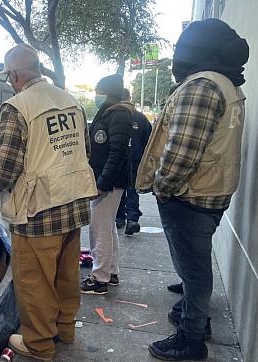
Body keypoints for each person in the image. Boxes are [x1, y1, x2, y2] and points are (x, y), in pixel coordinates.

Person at [136, 18, 249, 361]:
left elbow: (182, 152)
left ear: (196, 48)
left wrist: (162, 187)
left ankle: (191, 338)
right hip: (211, 192)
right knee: (193, 267)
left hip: (190, 195)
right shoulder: (228, 84)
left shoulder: (201, 86)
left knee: (194, 270)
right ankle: (192, 313)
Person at [0, 43, 97, 361]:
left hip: (38, 211)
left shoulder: (17, 107)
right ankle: (65, 329)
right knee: (65, 273)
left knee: (34, 280)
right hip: (72, 205)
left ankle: (39, 344)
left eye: (9, 78)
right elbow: (84, 150)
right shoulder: (70, 101)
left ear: (15, 75)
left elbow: (5, 164)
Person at [80, 74, 133, 295]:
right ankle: (110, 272)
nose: (96, 95)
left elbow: (117, 152)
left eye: (98, 90)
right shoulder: (111, 113)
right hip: (107, 179)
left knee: (99, 228)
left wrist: (102, 183)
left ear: (107, 92)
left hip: (108, 182)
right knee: (107, 227)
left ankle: (99, 278)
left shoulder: (117, 115)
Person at [115, 88, 152, 235]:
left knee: (118, 189)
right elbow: (148, 141)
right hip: (134, 159)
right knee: (131, 189)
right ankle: (132, 218)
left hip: (118, 159)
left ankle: (119, 217)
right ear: (130, 98)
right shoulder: (140, 118)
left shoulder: (114, 115)